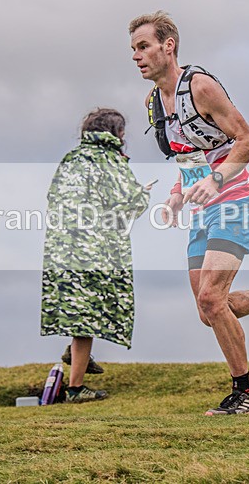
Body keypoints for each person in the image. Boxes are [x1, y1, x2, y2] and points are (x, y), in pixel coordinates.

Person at [129, 11, 249, 415]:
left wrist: (215, 181)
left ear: (169, 46)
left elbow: (248, 141)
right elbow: (189, 156)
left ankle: (245, 395)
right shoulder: (153, 103)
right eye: (133, 49)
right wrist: (178, 195)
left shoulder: (200, 86)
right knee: (209, 310)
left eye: (143, 46)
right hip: (203, 210)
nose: (136, 56)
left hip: (235, 200)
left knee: (211, 298)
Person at [41, 108, 151, 402]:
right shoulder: (111, 161)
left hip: (62, 246)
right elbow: (133, 203)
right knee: (87, 315)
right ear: (117, 134)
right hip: (96, 250)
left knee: (78, 308)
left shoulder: (71, 158)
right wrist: (144, 190)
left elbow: (53, 197)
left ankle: (77, 356)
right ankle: (75, 388)